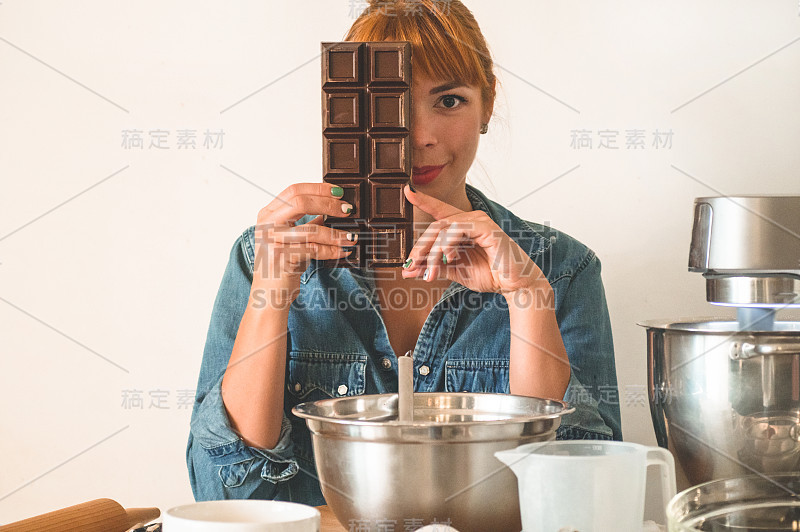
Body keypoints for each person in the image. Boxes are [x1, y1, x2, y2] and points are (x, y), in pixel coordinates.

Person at [187, 0, 621, 505]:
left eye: (450, 101)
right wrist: (270, 296)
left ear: (488, 107)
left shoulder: (562, 269)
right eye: (387, 106)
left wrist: (527, 299)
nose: (420, 139)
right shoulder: (262, 256)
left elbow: (579, 500)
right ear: (345, 113)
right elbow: (223, 496)